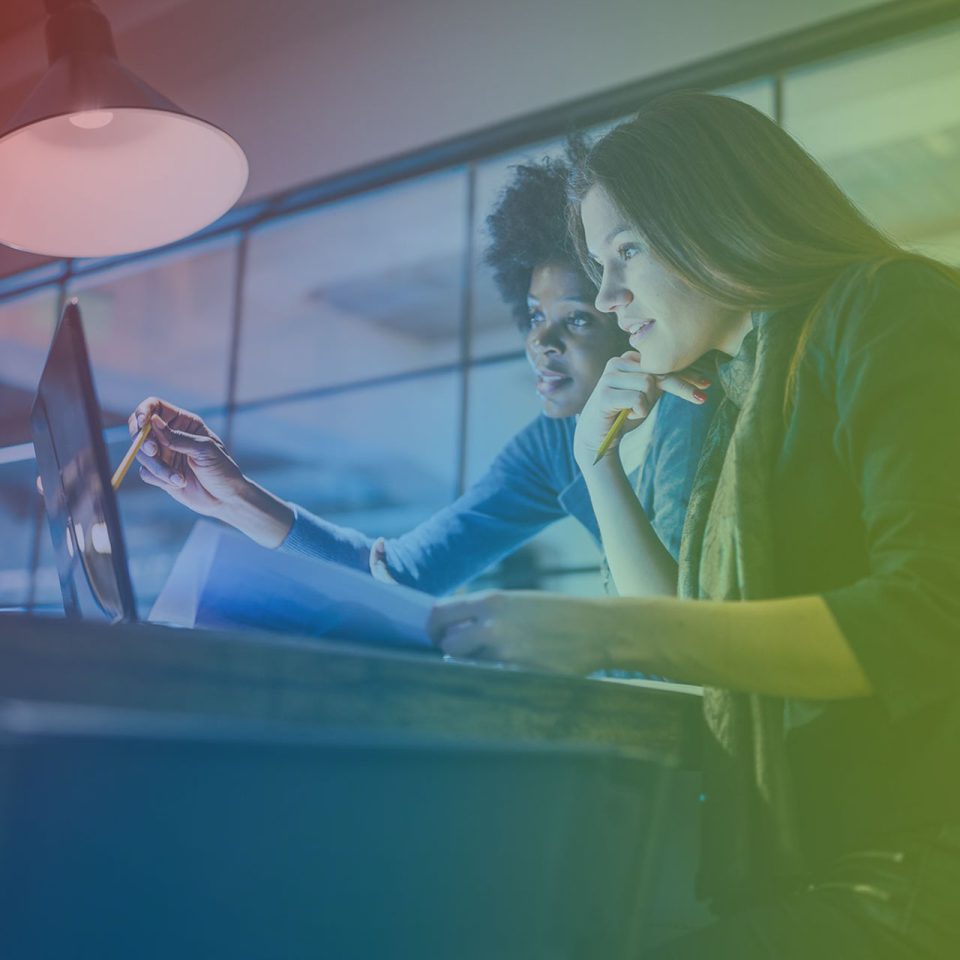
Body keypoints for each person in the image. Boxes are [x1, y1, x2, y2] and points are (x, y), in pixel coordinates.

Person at [429, 92, 960, 958]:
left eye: (626, 250)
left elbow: (932, 616)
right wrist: (595, 459)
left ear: (717, 217)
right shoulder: (734, 393)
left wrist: (602, 630)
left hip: (912, 872)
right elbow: (684, 640)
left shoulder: (886, 306)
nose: (607, 293)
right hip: (823, 863)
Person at [131, 150, 713, 597]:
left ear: (626, 312)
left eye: (578, 319)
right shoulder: (555, 444)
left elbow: (693, 621)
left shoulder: (704, 407)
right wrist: (231, 497)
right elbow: (402, 576)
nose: (541, 342)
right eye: (535, 316)